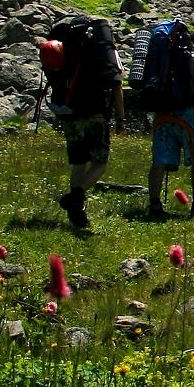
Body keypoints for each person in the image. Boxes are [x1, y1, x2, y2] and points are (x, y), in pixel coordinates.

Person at [39, 14, 124, 233]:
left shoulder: (67, 46)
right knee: (100, 163)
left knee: (79, 163)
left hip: (69, 112)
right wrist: (120, 118)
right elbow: (116, 84)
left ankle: (77, 213)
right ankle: (74, 199)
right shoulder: (100, 48)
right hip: (95, 112)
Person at [146, 26, 194, 219]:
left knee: (159, 159)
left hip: (162, 112)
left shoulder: (163, 58)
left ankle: (154, 204)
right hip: (186, 112)